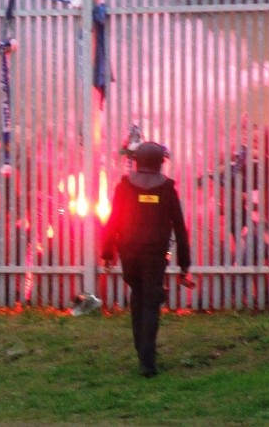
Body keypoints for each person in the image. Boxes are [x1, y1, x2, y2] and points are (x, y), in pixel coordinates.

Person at [101, 141, 191, 377]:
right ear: (160, 163)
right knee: (151, 301)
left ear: (137, 161)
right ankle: (147, 361)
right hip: (154, 256)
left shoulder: (124, 187)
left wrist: (107, 253)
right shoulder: (167, 189)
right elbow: (180, 229)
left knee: (138, 296)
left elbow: (113, 221)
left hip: (128, 254)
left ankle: (142, 349)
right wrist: (184, 264)